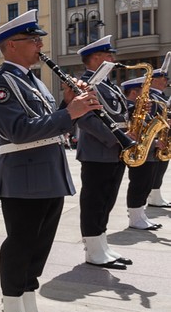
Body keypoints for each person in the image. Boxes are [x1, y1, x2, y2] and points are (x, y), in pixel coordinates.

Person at [0, 9, 101, 312]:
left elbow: (50, 123)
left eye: (39, 39)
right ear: (10, 45)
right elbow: (17, 131)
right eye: (32, 40)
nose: (39, 45)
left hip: (48, 171)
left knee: (39, 249)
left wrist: (69, 104)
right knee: (20, 246)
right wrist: (70, 113)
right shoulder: (2, 82)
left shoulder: (35, 81)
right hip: (23, 175)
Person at [73, 36, 133, 270]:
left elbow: (120, 115)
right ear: (96, 58)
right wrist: (119, 140)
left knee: (107, 200)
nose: (112, 59)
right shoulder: (83, 84)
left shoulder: (109, 85)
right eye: (108, 55)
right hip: (98, 151)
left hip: (115, 150)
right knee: (95, 201)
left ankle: (102, 245)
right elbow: (85, 118)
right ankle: (93, 251)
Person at [121, 77, 163, 231]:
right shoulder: (130, 108)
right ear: (133, 92)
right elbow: (136, 132)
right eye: (143, 93)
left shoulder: (139, 109)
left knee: (145, 185)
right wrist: (155, 142)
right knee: (139, 185)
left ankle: (140, 215)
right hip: (140, 152)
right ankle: (135, 218)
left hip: (148, 152)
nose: (148, 98)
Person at [147, 64, 170, 207]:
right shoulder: (151, 96)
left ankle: (156, 196)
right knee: (155, 169)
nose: (166, 80)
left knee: (161, 168)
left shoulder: (161, 97)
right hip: (157, 139)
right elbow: (149, 118)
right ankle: (153, 197)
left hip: (164, 138)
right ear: (153, 80)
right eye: (163, 77)